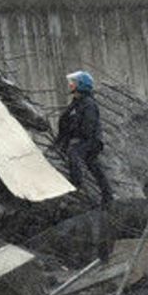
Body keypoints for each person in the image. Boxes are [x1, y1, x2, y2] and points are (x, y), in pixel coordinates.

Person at [55, 71, 113, 205]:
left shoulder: (88, 104)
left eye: (73, 83)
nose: (70, 85)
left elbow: (87, 127)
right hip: (84, 140)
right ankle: (107, 194)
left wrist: (73, 136)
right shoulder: (77, 102)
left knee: (74, 154)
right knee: (93, 165)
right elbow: (65, 121)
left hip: (91, 140)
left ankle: (77, 186)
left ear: (81, 85)